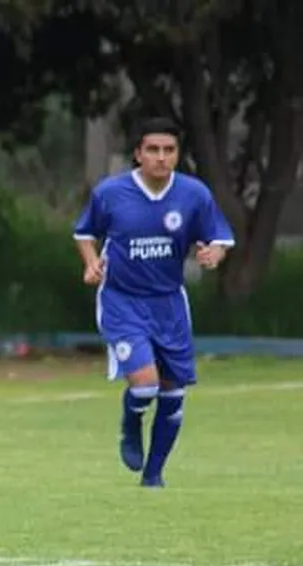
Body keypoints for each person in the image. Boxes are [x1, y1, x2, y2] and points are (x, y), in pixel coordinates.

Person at [73, 117, 235, 488]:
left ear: (177, 154)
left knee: (174, 391)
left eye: (169, 150)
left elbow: (220, 238)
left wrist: (214, 254)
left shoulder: (194, 195)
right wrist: (91, 263)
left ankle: (153, 475)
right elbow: (84, 233)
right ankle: (131, 423)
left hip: (169, 303)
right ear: (138, 154)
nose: (161, 158)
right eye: (153, 150)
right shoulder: (111, 193)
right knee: (145, 383)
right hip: (122, 300)